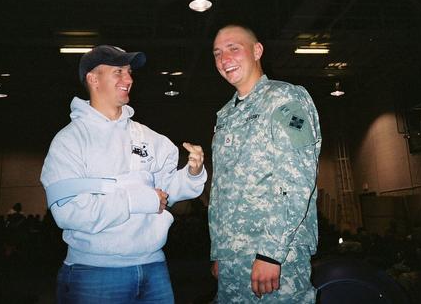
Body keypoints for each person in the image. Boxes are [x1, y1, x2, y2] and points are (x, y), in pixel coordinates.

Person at [40, 45, 207, 303]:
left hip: (154, 268)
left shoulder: (150, 138)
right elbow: (69, 212)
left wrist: (192, 174)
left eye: (129, 72)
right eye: (118, 72)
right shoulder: (69, 141)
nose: (128, 79)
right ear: (93, 79)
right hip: (94, 272)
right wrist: (138, 199)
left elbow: (165, 194)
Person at [208, 25, 322, 303]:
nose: (224, 59)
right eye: (217, 53)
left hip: (276, 257)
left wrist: (271, 253)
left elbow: (296, 180)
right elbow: (221, 191)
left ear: (257, 51)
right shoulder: (226, 115)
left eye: (234, 49)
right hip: (233, 258)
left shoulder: (284, 99)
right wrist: (220, 252)